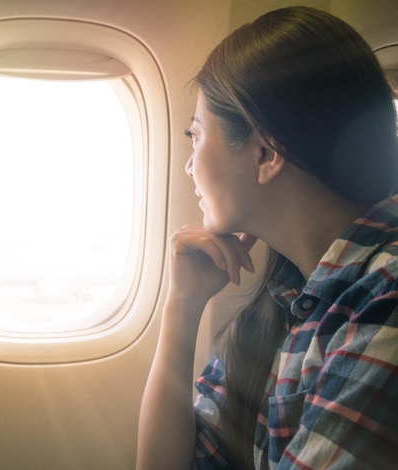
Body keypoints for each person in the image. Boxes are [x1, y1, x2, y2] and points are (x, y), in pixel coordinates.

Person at [136, 6, 398, 469]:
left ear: (264, 152)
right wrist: (182, 306)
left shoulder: (385, 305)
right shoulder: (286, 297)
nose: (189, 165)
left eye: (196, 136)